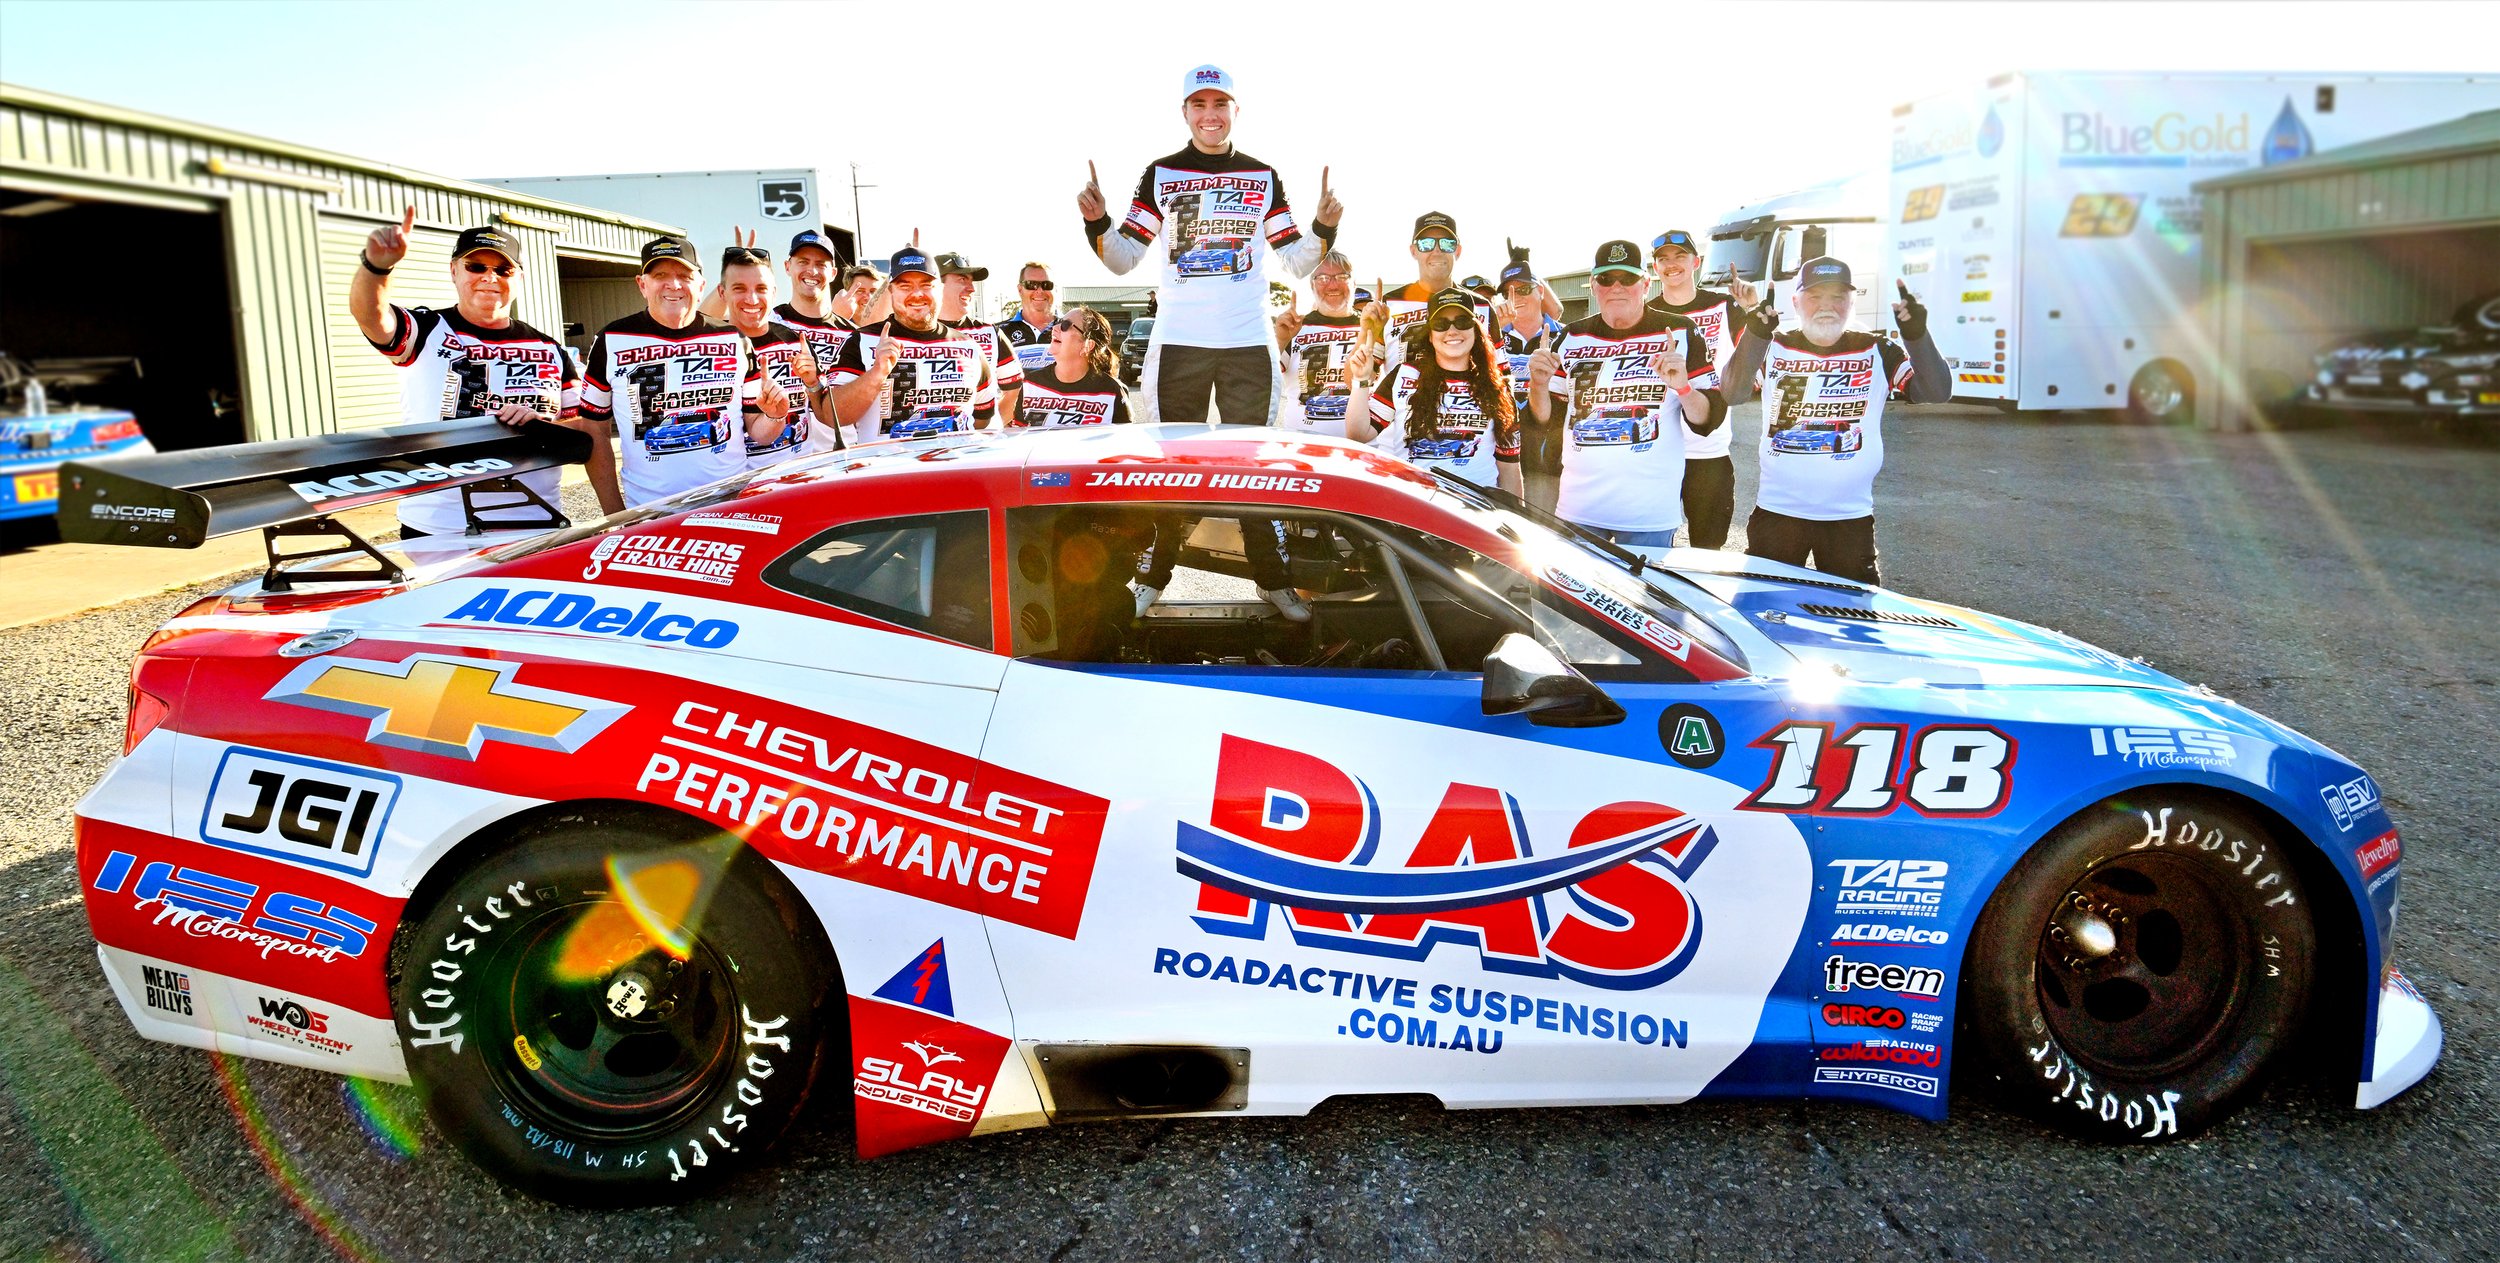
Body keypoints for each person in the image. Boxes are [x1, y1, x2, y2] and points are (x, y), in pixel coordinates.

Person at [1078, 64, 1341, 428]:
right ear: (1184, 112)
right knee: (1173, 460)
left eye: (1220, 103)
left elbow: (1296, 261)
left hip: (1248, 340)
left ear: (1236, 110)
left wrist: (1324, 226)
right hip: (1177, 341)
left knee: (1249, 458)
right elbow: (1124, 260)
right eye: (1198, 104)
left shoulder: (1263, 175)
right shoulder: (1160, 173)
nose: (1209, 114)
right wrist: (1098, 221)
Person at [348, 209, 599, 537]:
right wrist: (377, 267)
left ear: (519, 278)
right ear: (454, 271)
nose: (489, 278)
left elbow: (581, 426)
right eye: (476, 267)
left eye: (503, 269)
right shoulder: (426, 329)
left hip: (537, 522)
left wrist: (542, 425)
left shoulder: (550, 347)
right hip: (441, 528)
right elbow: (370, 315)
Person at [1719, 257, 1951, 585]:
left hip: (1849, 519)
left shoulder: (1878, 349)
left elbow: (1936, 391)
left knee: (1854, 624)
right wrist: (1754, 335)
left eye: (1838, 297)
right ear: (1796, 302)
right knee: (1764, 614)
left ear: (1851, 304)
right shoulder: (1774, 346)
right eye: (1815, 297)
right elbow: (1733, 393)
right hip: (1777, 516)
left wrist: (1917, 336)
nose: (1826, 306)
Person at [1524, 239, 1722, 551]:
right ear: (1593, 285)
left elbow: (1707, 418)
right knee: (1574, 600)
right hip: (1579, 509)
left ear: (1645, 284)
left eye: (1627, 278)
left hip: (1648, 515)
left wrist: (1683, 387)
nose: (1616, 287)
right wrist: (1537, 384)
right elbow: (1544, 418)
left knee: (1645, 600)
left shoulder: (1680, 330)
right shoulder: (1571, 335)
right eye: (1606, 279)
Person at [579, 237, 788, 510]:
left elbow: (760, 434)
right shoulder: (611, 339)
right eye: (660, 275)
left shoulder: (734, 339)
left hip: (730, 505)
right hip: (649, 511)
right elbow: (594, 429)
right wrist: (612, 513)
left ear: (700, 285)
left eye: (684, 275)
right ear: (642, 284)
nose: (673, 285)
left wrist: (775, 415)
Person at [828, 245, 1000, 441]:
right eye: (905, 286)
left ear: (939, 289)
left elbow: (983, 417)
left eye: (926, 285)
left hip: (953, 468)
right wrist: (877, 373)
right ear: (891, 291)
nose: (917, 294)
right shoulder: (862, 340)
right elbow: (831, 416)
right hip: (887, 468)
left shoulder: (968, 346)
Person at [1366, 287, 1523, 496]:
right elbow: (1359, 432)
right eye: (1440, 324)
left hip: (1477, 512)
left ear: (1475, 331)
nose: (1452, 331)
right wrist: (1360, 381)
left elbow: (1510, 469)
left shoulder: (1498, 388)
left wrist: (1513, 525)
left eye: (1462, 322)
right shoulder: (1405, 375)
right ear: (1430, 336)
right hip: (1414, 506)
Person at [1646, 229, 1742, 548]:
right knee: (1653, 553)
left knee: (1708, 553)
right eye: (1663, 259)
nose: (1672, 265)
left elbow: (1758, 355)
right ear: (1655, 268)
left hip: (1709, 450)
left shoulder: (1725, 306)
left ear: (1696, 262)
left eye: (1680, 257)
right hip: (1657, 452)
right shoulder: (1645, 316)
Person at [715, 243, 831, 468]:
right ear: (722, 292)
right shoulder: (714, 347)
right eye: (739, 288)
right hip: (745, 481)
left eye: (761, 288)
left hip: (802, 473)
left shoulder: (796, 341)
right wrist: (772, 416)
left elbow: (823, 413)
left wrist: (812, 383)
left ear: (774, 292)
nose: (752, 299)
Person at [1272, 251, 1377, 438]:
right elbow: (1262, 381)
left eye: (1342, 277)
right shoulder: (1293, 327)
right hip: (1301, 447)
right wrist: (1280, 340)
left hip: (1362, 449)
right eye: (1322, 278)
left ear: (1354, 283)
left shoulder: (1373, 329)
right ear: (1311, 285)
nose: (1333, 284)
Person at [1496, 256, 1568, 512]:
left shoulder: (1567, 336)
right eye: (1507, 291)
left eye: (1523, 289)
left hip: (1547, 461)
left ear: (1540, 291)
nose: (1515, 296)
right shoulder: (1491, 337)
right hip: (1501, 458)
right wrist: (1490, 333)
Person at [1010, 306, 1133, 428]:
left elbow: (1123, 442)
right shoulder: (1029, 384)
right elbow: (1019, 438)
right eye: (1058, 322)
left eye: (1065, 325)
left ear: (1088, 345)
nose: (1054, 328)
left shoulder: (1113, 391)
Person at [937, 252, 1023, 425]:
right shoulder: (911, 333)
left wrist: (986, 428)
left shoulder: (990, 331)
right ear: (936, 284)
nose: (972, 288)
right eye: (962, 279)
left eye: (971, 281)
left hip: (980, 448)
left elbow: (1014, 389)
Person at [996, 262, 1060, 381]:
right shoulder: (997, 333)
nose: (1040, 291)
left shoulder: (1073, 329)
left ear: (1055, 289)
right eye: (1031, 284)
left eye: (1047, 285)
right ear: (1020, 289)